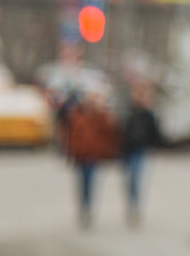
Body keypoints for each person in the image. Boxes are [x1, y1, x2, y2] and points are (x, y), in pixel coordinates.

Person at [62, 90, 121, 231]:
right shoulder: (76, 115)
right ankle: (83, 208)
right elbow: (70, 135)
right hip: (80, 155)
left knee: (90, 183)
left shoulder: (101, 117)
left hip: (93, 156)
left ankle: (87, 209)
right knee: (81, 184)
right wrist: (70, 152)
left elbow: (111, 132)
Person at [119, 85, 161, 228]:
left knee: (135, 178)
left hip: (141, 150)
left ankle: (134, 206)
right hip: (127, 150)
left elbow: (155, 133)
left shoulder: (147, 115)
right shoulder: (128, 112)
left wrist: (153, 147)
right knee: (128, 181)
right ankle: (131, 204)